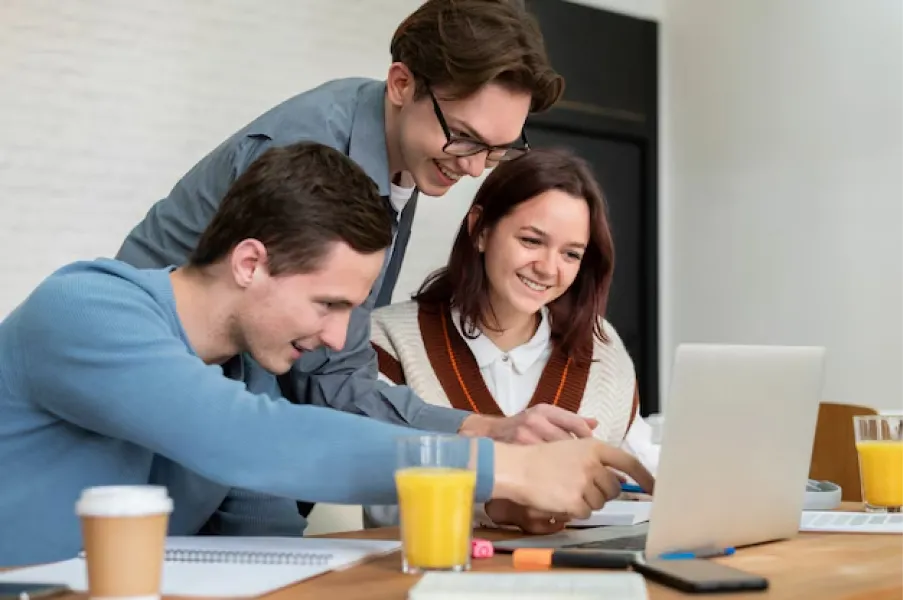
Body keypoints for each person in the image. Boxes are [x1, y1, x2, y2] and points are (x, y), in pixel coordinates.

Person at [0, 142, 653, 567]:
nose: (340, 341)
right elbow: (250, 441)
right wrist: (507, 468)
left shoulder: (251, 366)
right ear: (251, 262)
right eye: (328, 304)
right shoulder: (84, 309)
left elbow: (263, 538)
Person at [113, 0, 593, 455]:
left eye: (499, 150)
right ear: (402, 85)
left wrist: (486, 433)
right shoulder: (317, 155)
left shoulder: (401, 149)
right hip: (150, 401)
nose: (474, 169)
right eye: (465, 138)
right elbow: (329, 378)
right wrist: (486, 438)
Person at [365, 148, 661, 533]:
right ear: (481, 229)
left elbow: (642, 465)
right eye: (531, 240)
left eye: (571, 254)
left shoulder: (602, 349)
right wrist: (497, 506)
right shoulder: (389, 341)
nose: (548, 268)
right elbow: (377, 491)